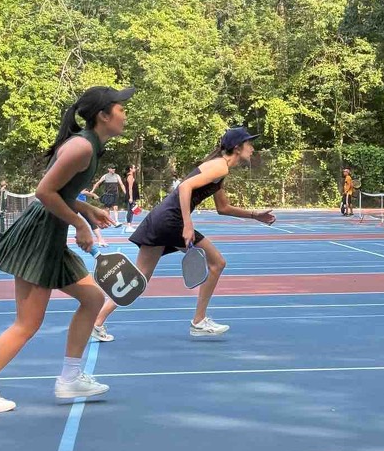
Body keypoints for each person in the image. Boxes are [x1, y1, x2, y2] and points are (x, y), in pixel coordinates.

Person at [0, 85, 135, 414]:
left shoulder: (90, 147)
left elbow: (61, 193)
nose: (125, 113)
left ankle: (69, 379)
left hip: (50, 231)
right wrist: (80, 224)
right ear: (103, 115)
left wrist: (85, 210)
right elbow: (44, 192)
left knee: (93, 298)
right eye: (121, 108)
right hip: (39, 235)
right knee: (27, 323)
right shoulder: (82, 146)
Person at [92, 126, 275, 342]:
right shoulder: (219, 167)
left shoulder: (218, 170)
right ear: (237, 147)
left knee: (139, 278)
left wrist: (255, 215)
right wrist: (187, 225)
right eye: (249, 143)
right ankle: (199, 321)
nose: (252, 148)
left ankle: (96, 323)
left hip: (160, 219)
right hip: (171, 221)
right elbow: (186, 186)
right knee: (217, 263)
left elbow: (223, 208)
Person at [124, 164, 140, 234]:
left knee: (133, 210)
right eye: (134, 167)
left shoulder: (131, 176)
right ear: (130, 169)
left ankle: (129, 225)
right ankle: (128, 226)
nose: (135, 169)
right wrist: (130, 197)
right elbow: (130, 188)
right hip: (131, 196)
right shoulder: (130, 177)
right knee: (130, 211)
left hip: (133, 196)